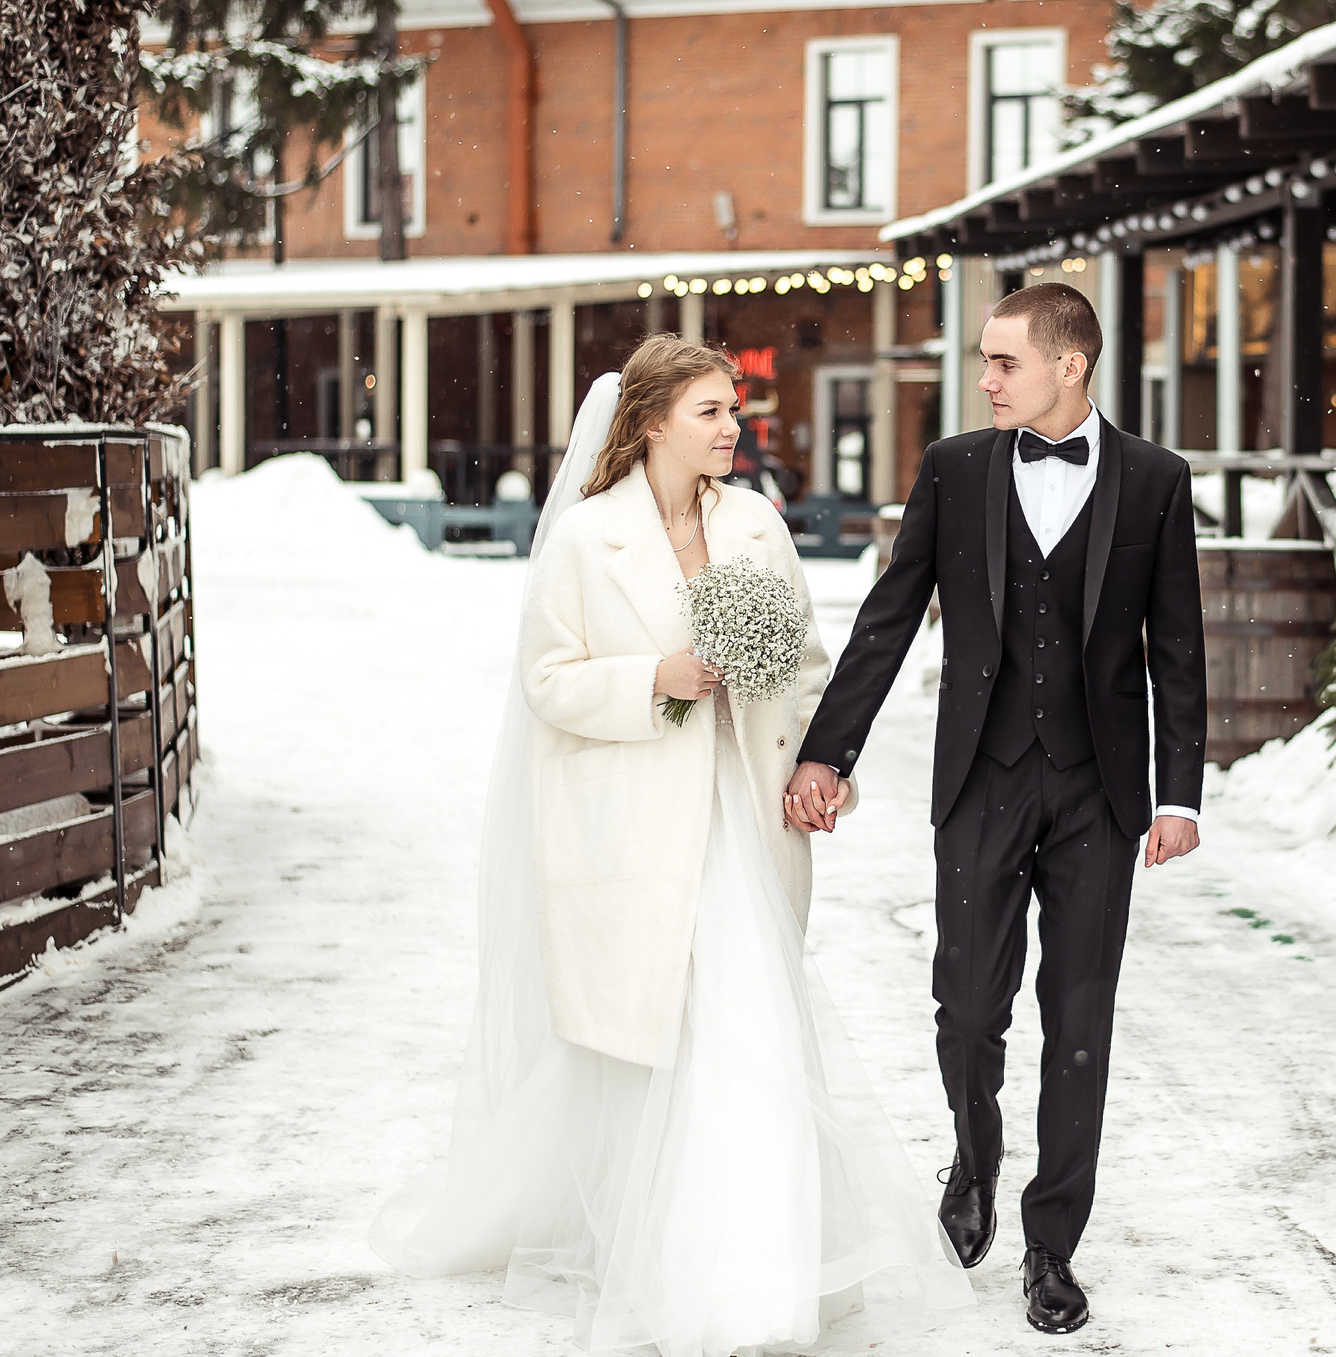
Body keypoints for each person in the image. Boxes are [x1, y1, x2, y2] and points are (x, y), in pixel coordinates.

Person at [371, 335, 970, 1353]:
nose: (733, 426)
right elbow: (547, 682)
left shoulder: (757, 525)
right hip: (636, 831)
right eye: (711, 410)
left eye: (733, 408)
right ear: (651, 422)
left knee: (750, 1032)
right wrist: (657, 677)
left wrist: (820, 770)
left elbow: (806, 667)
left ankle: (756, 1277)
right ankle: (670, 1260)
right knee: (661, 1042)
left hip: (748, 821)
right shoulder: (585, 538)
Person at [784, 282, 1208, 1337]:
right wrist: (828, 750)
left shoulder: (1156, 479)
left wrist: (1178, 793)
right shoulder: (956, 467)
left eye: (1003, 361)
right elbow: (889, 616)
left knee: (1080, 1017)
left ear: (1070, 364)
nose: (984, 379)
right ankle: (974, 1156)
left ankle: (1052, 1244)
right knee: (968, 1007)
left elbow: (1178, 647)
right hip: (982, 774)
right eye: (983, 359)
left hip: (1100, 789)